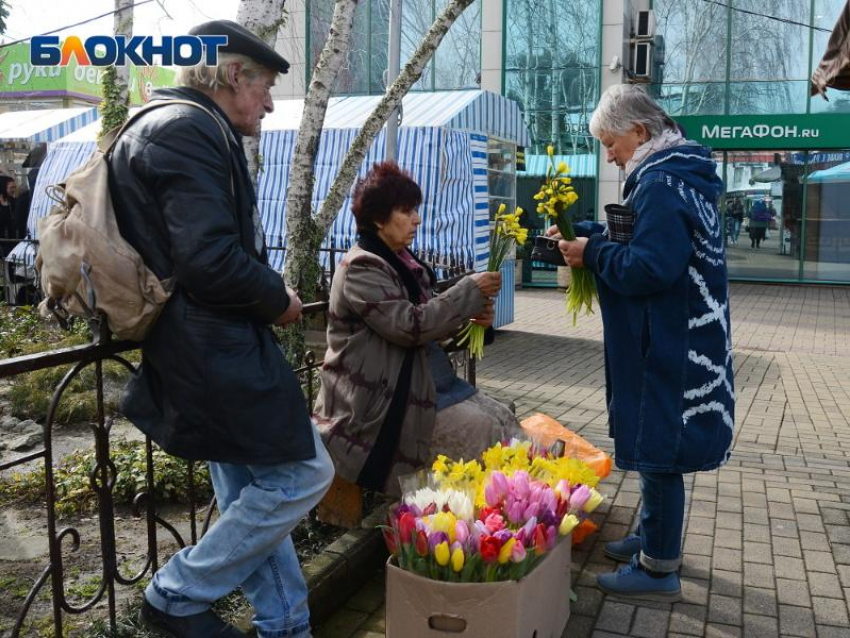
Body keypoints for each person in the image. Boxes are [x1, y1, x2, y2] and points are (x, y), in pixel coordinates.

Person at [107, 20, 334, 638]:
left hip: (201, 344)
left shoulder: (170, 123)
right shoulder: (187, 129)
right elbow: (207, 259)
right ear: (234, 74)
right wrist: (278, 299)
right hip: (213, 348)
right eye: (265, 88)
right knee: (304, 475)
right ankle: (174, 593)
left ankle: (285, 625)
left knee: (248, 497)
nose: (269, 104)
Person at [555, 85, 734, 602]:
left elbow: (650, 267)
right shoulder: (677, 175)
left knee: (659, 452)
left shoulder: (659, 184)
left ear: (639, 131)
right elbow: (646, 241)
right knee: (656, 446)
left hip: (668, 345)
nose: (610, 155)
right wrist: (588, 234)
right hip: (679, 337)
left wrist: (593, 254)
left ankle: (658, 570)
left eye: (611, 143)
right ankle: (654, 536)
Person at [314, 161, 522, 495]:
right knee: (482, 430)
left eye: (415, 210)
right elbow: (411, 326)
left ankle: (525, 504)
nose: (417, 219)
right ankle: (485, 514)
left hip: (422, 384)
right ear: (378, 218)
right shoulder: (361, 267)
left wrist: (475, 323)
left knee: (503, 419)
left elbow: (432, 329)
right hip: (379, 401)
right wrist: (469, 290)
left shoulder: (401, 261)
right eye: (406, 211)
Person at [0, 176, 17, 258]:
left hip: (12, 241)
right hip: (3, 242)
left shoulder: (13, 201)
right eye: (11, 187)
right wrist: (4, 208)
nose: (14, 190)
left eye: (15, 187)